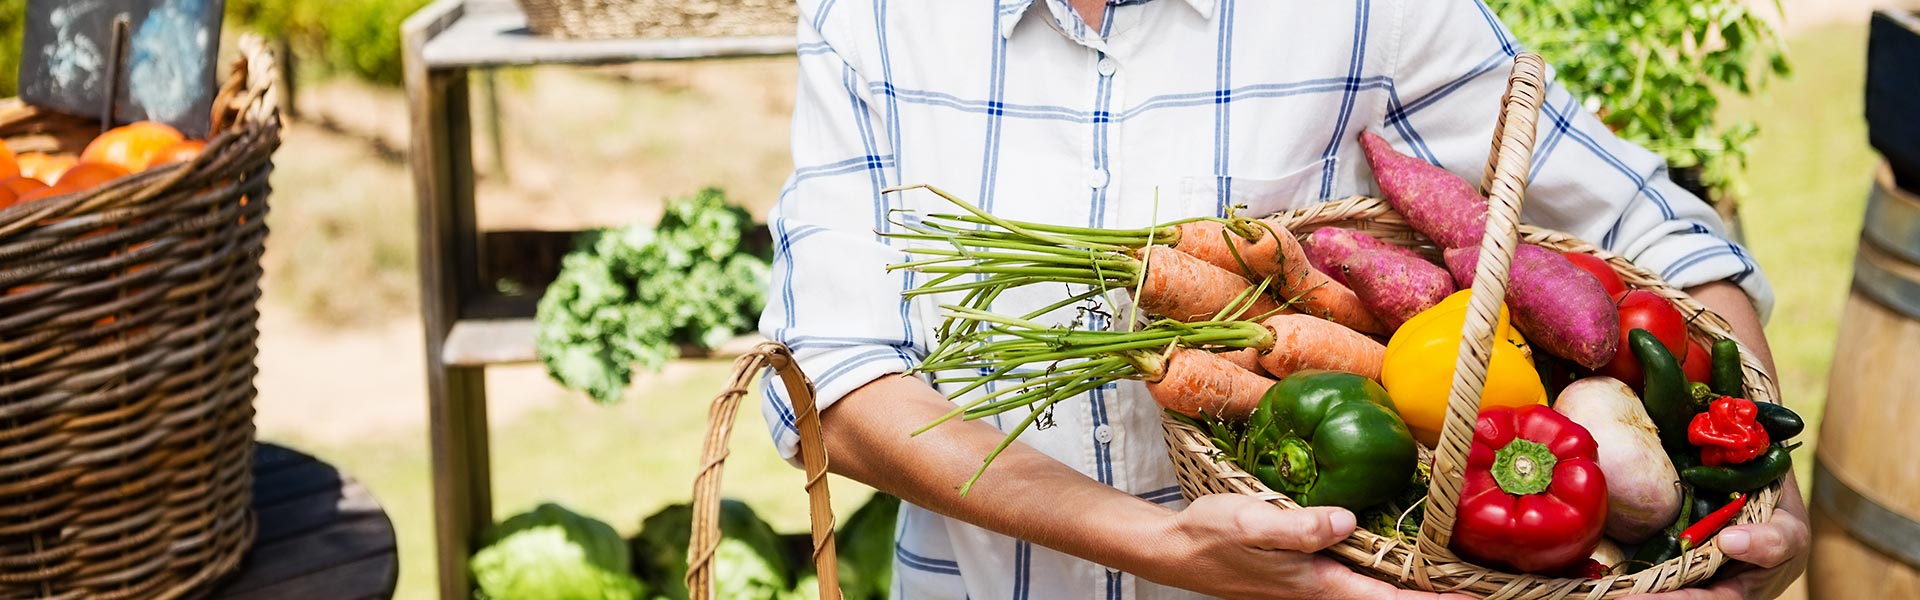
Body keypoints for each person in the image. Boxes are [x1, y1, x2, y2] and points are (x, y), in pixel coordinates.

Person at [758, 1, 1809, 598]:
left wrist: (1761, 478)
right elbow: (832, 382)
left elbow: (1660, 235)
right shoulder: (874, 20)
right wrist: (1163, 545)